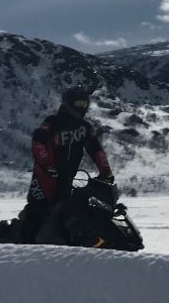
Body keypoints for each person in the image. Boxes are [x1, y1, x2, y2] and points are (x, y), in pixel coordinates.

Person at [17, 86, 115, 244]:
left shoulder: (84, 128)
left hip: (67, 178)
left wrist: (106, 172)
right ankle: (22, 249)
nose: (82, 108)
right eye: (79, 104)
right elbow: (38, 143)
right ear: (68, 104)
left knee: (68, 212)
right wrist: (48, 164)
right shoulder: (52, 123)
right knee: (37, 211)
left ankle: (65, 248)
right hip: (44, 178)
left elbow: (96, 150)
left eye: (85, 104)